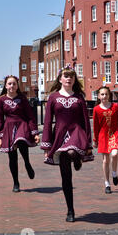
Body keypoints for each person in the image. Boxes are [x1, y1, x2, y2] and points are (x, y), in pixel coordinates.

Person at [41, 67, 94, 222]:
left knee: (71, 152)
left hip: (77, 133)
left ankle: (76, 157)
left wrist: (88, 144)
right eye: (66, 76)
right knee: (65, 176)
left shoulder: (79, 98)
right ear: (60, 79)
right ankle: (70, 210)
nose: (69, 79)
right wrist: (47, 145)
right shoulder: (53, 98)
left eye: (71, 77)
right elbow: (47, 122)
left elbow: (86, 121)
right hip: (59, 135)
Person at [0, 75, 40, 193]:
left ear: (17, 85)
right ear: (5, 86)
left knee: (21, 141)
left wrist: (35, 132)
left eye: (14, 84)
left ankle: (27, 163)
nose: (12, 86)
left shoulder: (22, 98)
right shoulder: (1, 100)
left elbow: (30, 116)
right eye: (9, 84)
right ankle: (16, 182)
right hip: (8, 127)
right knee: (12, 157)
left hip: (22, 125)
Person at [93, 87, 118, 194]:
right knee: (105, 160)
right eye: (102, 94)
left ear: (109, 96)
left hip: (114, 133)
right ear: (99, 96)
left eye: (106, 94)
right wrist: (95, 139)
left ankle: (114, 173)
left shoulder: (115, 106)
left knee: (114, 154)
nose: (104, 96)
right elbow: (95, 126)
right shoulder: (96, 109)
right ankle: (107, 183)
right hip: (103, 135)